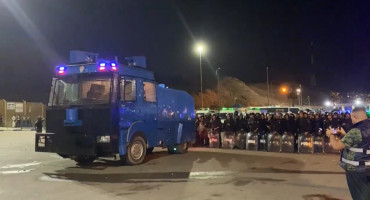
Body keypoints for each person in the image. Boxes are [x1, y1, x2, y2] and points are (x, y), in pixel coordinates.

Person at [326, 107, 370, 199]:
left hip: (357, 169)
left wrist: (330, 134)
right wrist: (345, 135)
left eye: (351, 118)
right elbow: (362, 143)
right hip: (367, 167)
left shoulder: (356, 130)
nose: (351, 120)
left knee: (360, 196)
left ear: (354, 116)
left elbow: (336, 146)